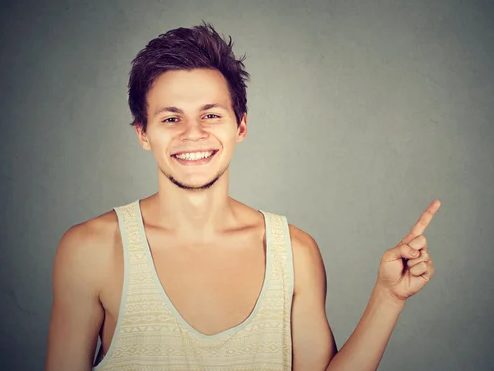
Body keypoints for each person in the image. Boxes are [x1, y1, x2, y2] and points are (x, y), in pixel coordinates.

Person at [45, 22, 440, 371]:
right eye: (170, 118)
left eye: (211, 114)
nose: (192, 132)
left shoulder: (294, 253)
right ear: (143, 133)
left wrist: (388, 297)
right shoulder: (90, 250)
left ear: (241, 126)